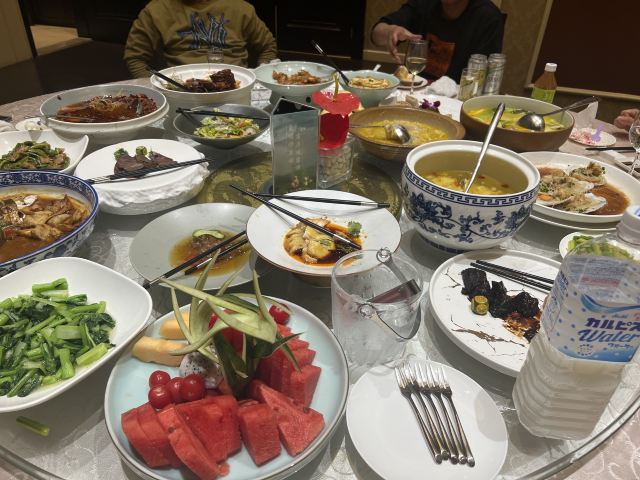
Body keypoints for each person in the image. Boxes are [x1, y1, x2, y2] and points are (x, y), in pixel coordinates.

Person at [124, 0, 277, 78]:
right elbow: (135, 57)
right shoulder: (157, 10)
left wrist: (261, 75)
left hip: (236, 82)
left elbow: (268, 46)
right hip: (182, 87)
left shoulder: (239, 7)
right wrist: (157, 87)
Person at [371, 0, 504, 81]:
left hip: (456, 103)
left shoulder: (488, 17)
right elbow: (376, 34)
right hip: (414, 94)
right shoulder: (423, 4)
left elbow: (484, 81)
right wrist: (390, 31)